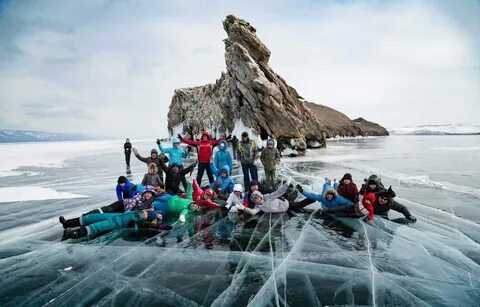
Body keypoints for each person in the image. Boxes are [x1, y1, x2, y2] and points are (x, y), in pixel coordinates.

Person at [59, 189, 159, 239]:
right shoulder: (138, 196)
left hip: (123, 215)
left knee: (98, 224)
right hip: (123, 207)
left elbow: (149, 216)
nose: (147, 194)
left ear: (152, 197)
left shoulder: (150, 206)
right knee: (93, 216)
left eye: (150, 194)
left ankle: (73, 232)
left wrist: (156, 218)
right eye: (147, 192)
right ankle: (67, 223)